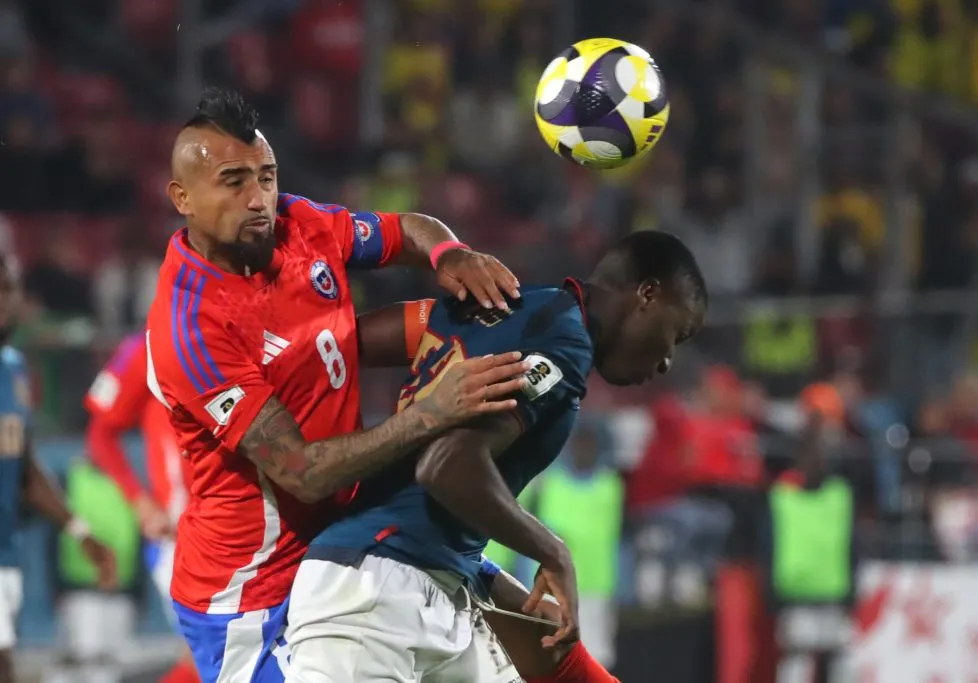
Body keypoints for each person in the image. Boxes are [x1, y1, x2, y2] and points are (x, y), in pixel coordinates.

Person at [145, 87, 527, 683]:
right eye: (234, 181)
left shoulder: (302, 225)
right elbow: (301, 470)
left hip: (344, 548)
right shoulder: (190, 326)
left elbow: (406, 230)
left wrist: (452, 255)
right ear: (182, 198)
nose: (259, 200)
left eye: (266, 177)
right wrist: (432, 410)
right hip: (254, 597)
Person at [287, 230, 708, 683]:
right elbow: (446, 466)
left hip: (432, 585)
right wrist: (553, 552)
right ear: (648, 294)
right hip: (373, 596)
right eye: (677, 334)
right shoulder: (565, 343)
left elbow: (345, 342)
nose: (667, 361)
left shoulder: (511, 303)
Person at [0, 253, 117, 683]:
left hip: (6, 555)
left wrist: (80, 532)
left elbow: (25, 468)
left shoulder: (12, 368)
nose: (4, 301)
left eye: (8, 290)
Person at [84, 332, 198, 683]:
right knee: (211, 657)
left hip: (250, 528)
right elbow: (100, 435)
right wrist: (140, 501)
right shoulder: (148, 345)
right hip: (181, 537)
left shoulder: (249, 325)